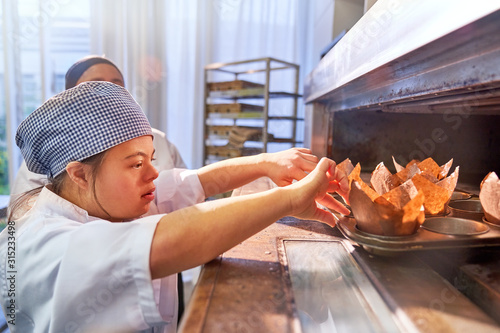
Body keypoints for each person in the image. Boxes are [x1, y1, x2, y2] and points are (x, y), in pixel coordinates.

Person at [1, 81, 349, 332]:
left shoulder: (104, 200)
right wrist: (291, 198)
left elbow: (195, 181)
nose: (154, 173)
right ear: (78, 174)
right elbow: (166, 240)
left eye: (151, 158)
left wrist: (268, 162)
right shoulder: (42, 243)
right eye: (136, 164)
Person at [9, 55, 186, 200]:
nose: (109, 93)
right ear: (71, 97)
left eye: (116, 85)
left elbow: (185, 190)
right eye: (96, 86)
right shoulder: (52, 152)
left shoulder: (158, 140)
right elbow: (23, 213)